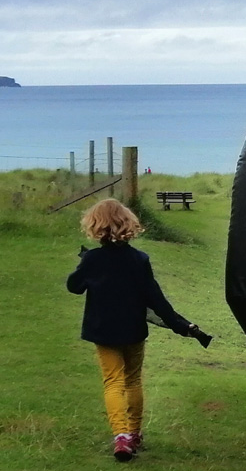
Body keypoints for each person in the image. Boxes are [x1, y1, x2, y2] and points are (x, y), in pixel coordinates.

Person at [67, 198, 210, 462]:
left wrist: (85, 263)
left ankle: (120, 435)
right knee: (132, 380)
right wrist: (183, 326)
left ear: (95, 225)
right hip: (133, 330)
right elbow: (156, 300)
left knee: (113, 381)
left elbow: (74, 286)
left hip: (103, 331)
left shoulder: (93, 259)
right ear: (128, 224)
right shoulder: (139, 259)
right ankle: (133, 433)